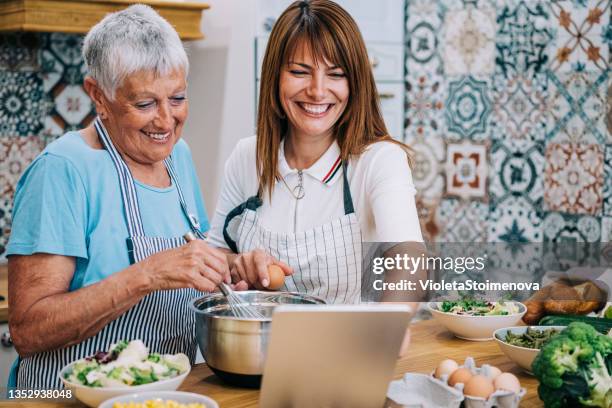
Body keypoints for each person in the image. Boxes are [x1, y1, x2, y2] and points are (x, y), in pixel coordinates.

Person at [6, 5, 240, 389]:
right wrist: (145, 275)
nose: (166, 121)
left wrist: (233, 266)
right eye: (145, 104)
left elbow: (187, 263)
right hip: (60, 398)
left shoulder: (177, 157)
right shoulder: (63, 170)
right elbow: (29, 330)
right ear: (98, 95)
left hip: (161, 394)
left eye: (177, 98)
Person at [207, 0, 424, 305]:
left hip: (351, 348)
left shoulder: (380, 160)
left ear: (355, 83)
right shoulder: (247, 157)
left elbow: (409, 263)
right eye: (300, 71)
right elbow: (216, 259)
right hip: (261, 349)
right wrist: (239, 264)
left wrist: (387, 326)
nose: (318, 91)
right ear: (275, 77)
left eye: (335, 74)